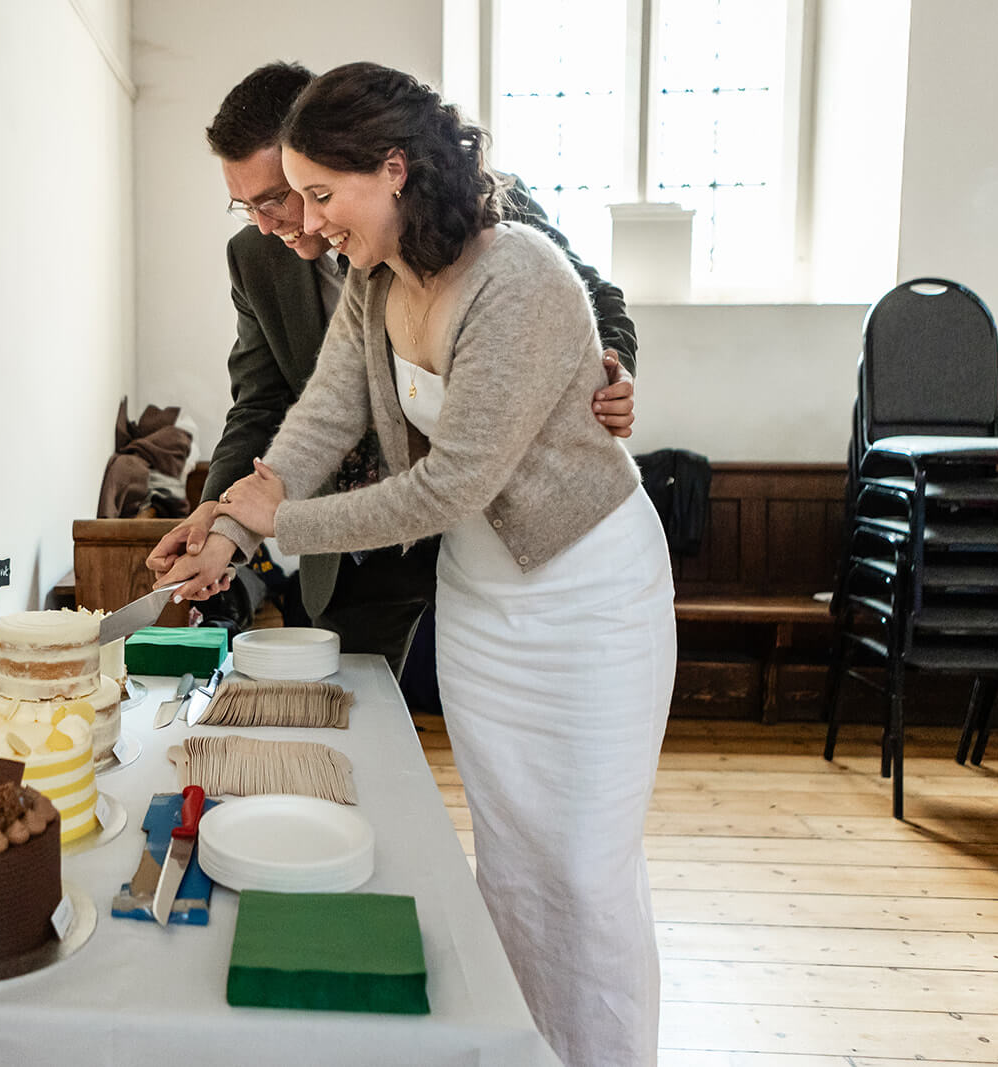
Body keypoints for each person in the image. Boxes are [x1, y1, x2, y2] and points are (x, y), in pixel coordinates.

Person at [185, 62, 677, 1065]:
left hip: (587, 598)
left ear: (395, 170)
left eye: (321, 196)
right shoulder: (374, 279)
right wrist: (229, 525)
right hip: (479, 604)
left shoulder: (519, 273)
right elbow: (320, 413)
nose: (311, 225)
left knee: (583, 869)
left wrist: (278, 529)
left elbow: (449, 483)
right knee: (509, 864)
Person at [147, 61, 638, 678]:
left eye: (291, 196)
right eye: (245, 208)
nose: (276, 222)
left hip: (521, 535)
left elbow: (584, 300)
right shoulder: (305, 268)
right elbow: (286, 407)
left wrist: (607, 377)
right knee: (363, 726)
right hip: (355, 540)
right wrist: (223, 521)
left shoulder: (490, 220)